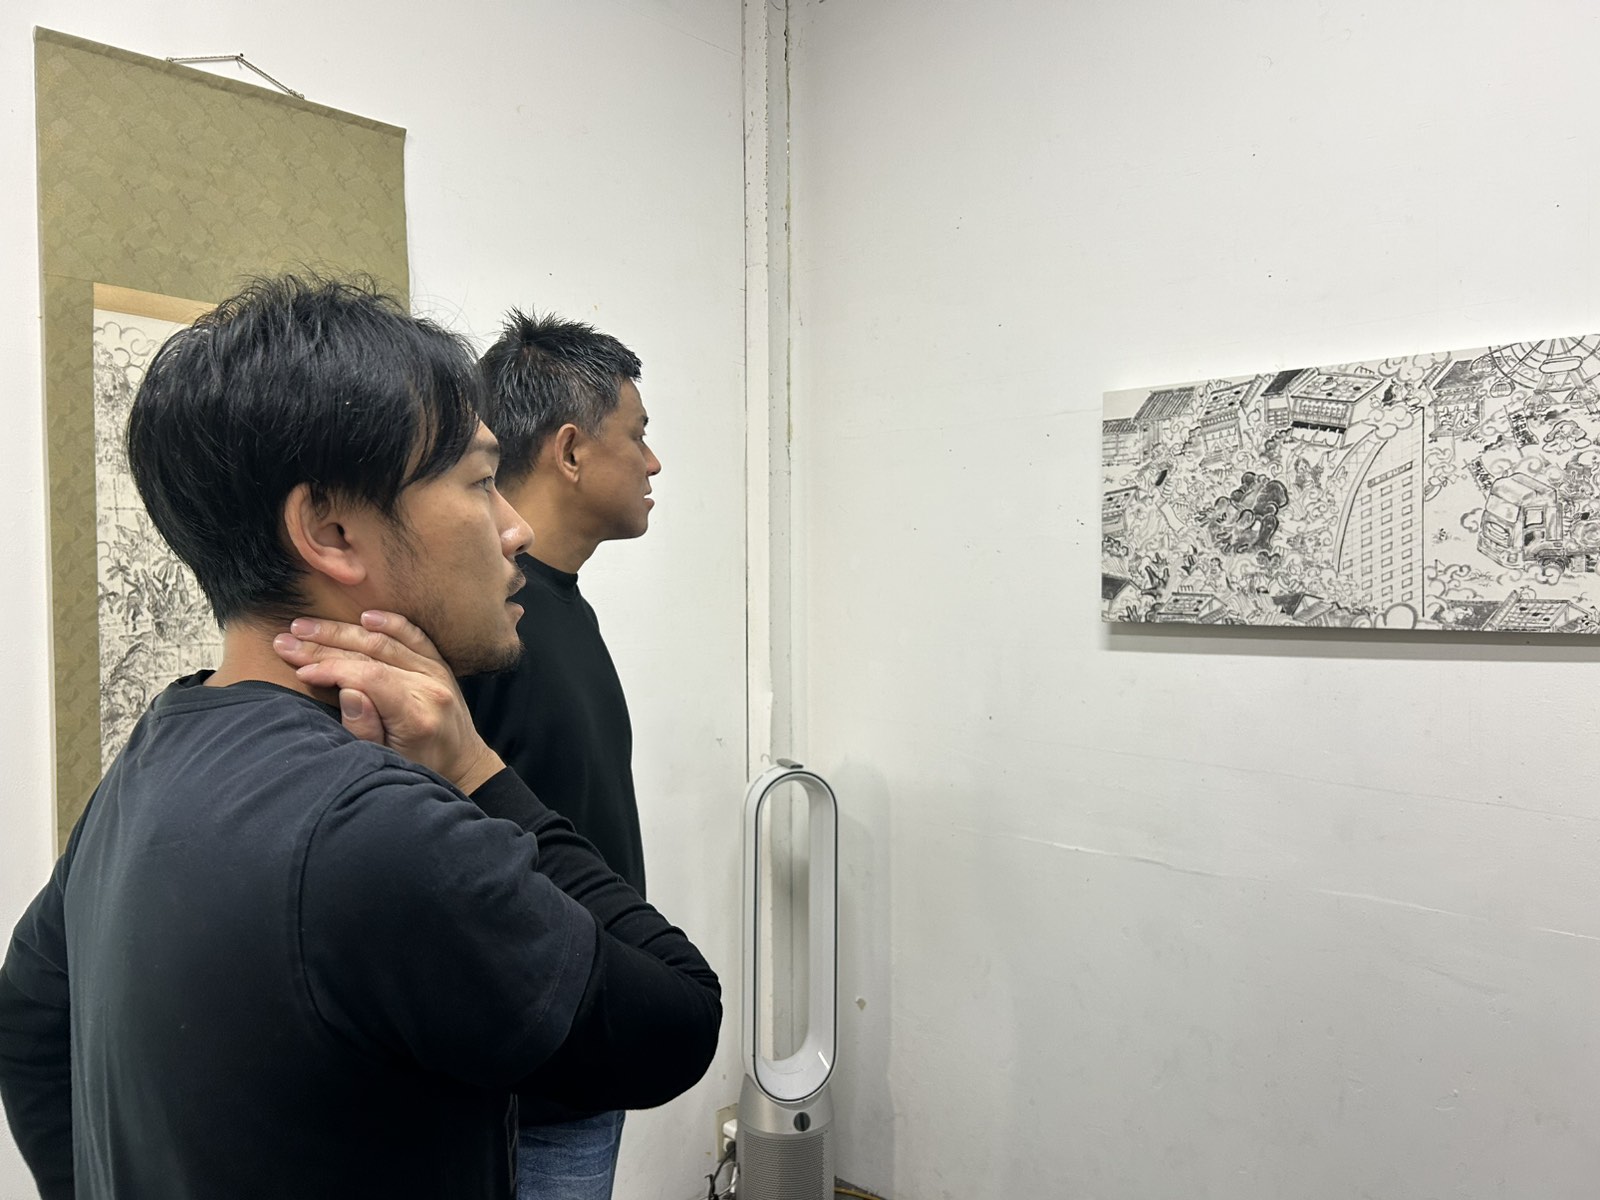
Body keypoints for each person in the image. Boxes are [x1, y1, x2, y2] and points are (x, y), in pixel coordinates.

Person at [0, 276, 720, 1200]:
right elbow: (680, 1018)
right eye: (480, 482)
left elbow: (30, 1021)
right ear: (333, 531)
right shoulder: (378, 828)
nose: (513, 527)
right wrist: (478, 770)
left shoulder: (153, 756)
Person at [459, 310, 661, 1200]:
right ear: (571, 451)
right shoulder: (484, 633)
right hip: (525, 1091)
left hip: (585, 1054)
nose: (653, 463)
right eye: (638, 436)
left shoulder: (562, 607)